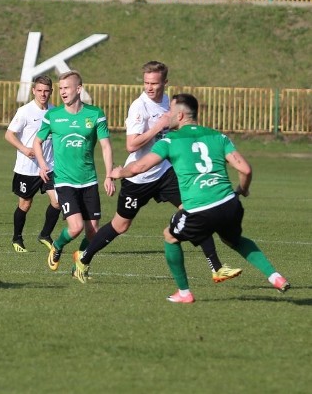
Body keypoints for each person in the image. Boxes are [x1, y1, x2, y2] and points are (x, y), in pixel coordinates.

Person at [110, 93, 290, 303]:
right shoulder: (218, 136)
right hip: (229, 204)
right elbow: (246, 169)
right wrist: (242, 189)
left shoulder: (170, 141)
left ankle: (184, 293)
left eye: (170, 111)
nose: (167, 115)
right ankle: (275, 277)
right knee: (233, 239)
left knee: (169, 235)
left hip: (199, 210)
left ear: (181, 115)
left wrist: (120, 172)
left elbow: (139, 167)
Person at [72, 62, 241, 284]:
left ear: (165, 83)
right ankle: (83, 259)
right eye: (146, 83)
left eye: (154, 83)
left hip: (164, 172)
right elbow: (131, 146)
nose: (149, 87)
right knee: (120, 225)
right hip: (138, 177)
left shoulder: (167, 102)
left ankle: (217, 268)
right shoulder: (138, 107)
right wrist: (157, 127)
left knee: (193, 210)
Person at [32, 71, 115, 272]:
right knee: (76, 227)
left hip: (89, 180)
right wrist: (43, 164)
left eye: (66, 88)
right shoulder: (53, 116)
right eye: (60, 89)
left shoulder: (95, 114)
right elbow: (37, 142)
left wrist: (109, 175)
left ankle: (80, 264)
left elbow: (105, 146)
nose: (62, 92)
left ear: (78, 89)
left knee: (93, 232)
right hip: (64, 180)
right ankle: (58, 246)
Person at [4, 75, 61, 252]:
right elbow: (9, 134)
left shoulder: (55, 112)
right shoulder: (25, 111)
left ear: (51, 91)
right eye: (40, 91)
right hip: (27, 168)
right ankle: (17, 238)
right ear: (33, 91)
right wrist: (24, 149)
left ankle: (45, 234)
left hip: (49, 167)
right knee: (25, 204)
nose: (43, 94)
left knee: (57, 202)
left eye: (46, 91)